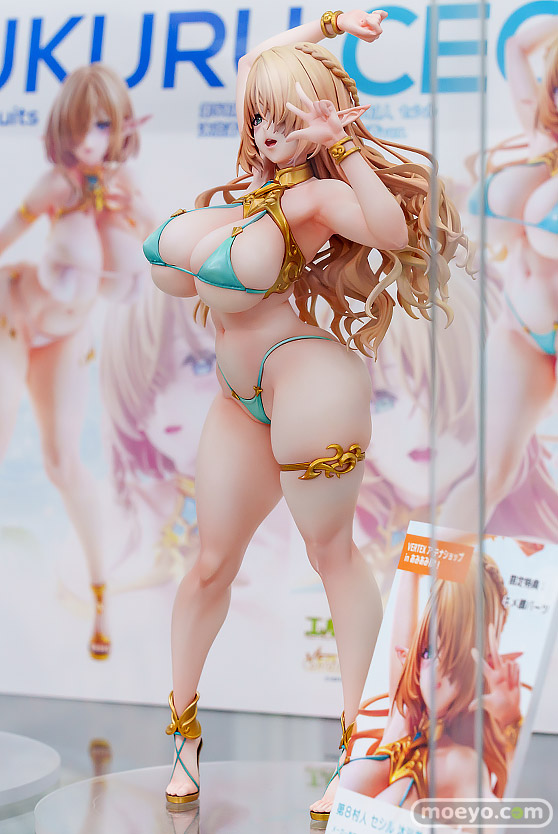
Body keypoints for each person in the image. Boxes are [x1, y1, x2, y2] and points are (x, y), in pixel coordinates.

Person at [143, 8, 470, 814]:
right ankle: (183, 740)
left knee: (332, 555)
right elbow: (260, 56)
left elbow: (389, 232)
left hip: (308, 381)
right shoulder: (251, 189)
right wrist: (328, 24)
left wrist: (341, 143)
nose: (266, 133)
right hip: (238, 395)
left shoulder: (318, 196)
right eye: (261, 118)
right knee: (209, 565)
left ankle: (359, 755)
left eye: (285, 122)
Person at [0, 63, 151, 659]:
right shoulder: (56, 186)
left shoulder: (124, 189)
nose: (89, 139)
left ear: (121, 127)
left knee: (64, 464)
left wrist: (135, 208)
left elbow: (160, 243)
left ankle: (99, 594)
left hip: (65, 335)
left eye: (103, 125)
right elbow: (7, 235)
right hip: (13, 311)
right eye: (79, 126)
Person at [440, 19, 558, 534]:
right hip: (523, 332)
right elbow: (516, 44)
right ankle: (430, 584)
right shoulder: (542, 138)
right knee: (491, 473)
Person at [338, 557, 523, 806]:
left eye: (454, 656)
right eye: (428, 651)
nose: (435, 670)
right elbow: (409, 582)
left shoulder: (461, 765)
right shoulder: (404, 720)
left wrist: (510, 722)